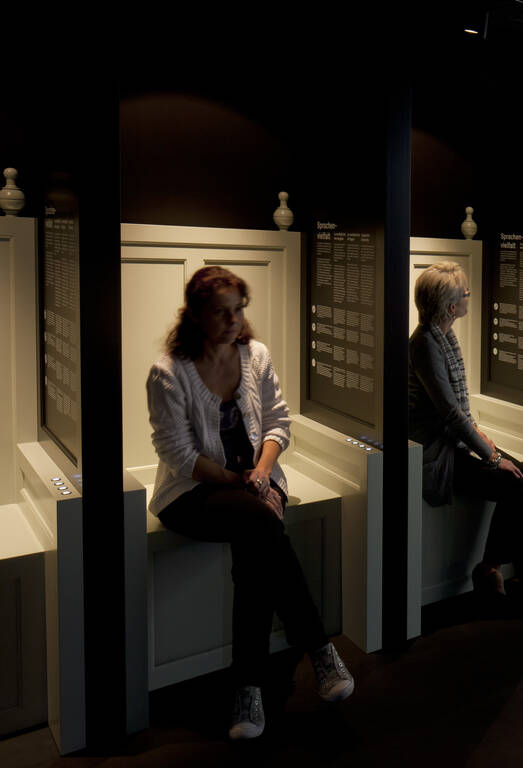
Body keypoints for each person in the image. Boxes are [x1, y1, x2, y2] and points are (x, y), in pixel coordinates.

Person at [146, 267, 353, 740]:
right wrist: (238, 483)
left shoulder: (254, 355)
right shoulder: (169, 371)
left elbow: (279, 423)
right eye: (220, 312)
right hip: (191, 491)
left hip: (253, 487)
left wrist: (260, 473)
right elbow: (177, 454)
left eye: (238, 310)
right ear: (196, 315)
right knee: (260, 526)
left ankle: (248, 688)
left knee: (256, 549)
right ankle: (319, 649)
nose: (233, 320)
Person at [408, 262, 523, 598]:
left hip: (450, 441)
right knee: (513, 481)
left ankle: (493, 568)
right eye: (466, 293)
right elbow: (451, 414)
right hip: (435, 453)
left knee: (520, 479)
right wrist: (492, 457)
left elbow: (456, 413)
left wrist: (481, 440)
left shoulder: (440, 336)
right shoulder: (426, 343)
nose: (470, 297)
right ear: (451, 307)